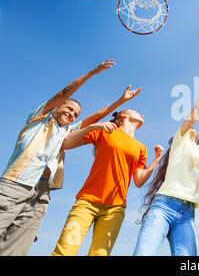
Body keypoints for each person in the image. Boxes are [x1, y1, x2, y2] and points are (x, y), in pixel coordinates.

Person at [0, 60, 140, 256]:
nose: (72, 114)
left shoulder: (66, 132)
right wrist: (93, 72)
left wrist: (121, 101)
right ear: (55, 108)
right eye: (69, 109)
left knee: (16, 249)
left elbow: (96, 117)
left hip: (41, 194)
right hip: (15, 185)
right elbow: (64, 93)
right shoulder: (39, 119)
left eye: (75, 114)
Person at [133, 69, 199, 256]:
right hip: (163, 206)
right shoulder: (179, 141)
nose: (193, 128)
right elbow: (197, 111)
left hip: (187, 214)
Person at [51, 107, 162, 256]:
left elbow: (139, 181)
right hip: (87, 202)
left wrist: (157, 159)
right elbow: (66, 143)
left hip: (115, 209)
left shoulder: (141, 148)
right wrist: (92, 127)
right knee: (65, 251)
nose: (141, 114)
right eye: (136, 112)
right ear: (123, 115)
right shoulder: (106, 131)